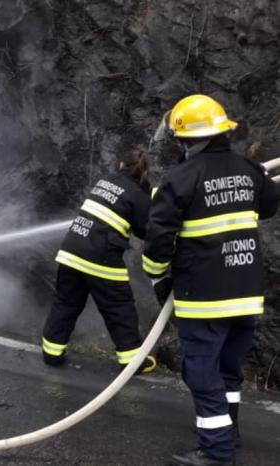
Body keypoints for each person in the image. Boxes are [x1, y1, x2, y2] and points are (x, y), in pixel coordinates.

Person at [143, 94, 279, 466]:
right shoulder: (249, 169)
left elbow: (158, 241)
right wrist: (257, 179)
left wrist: (157, 279)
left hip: (203, 296)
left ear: (185, 140)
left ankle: (216, 452)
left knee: (202, 372)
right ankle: (227, 433)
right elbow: (268, 205)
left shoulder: (179, 179)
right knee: (228, 370)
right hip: (247, 294)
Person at [42, 148, 157, 374]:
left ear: (121, 166)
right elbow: (145, 231)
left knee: (66, 302)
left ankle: (51, 353)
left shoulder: (107, 180)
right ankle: (132, 361)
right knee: (119, 308)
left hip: (71, 251)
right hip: (100, 256)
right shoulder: (138, 195)